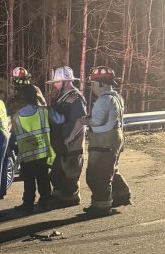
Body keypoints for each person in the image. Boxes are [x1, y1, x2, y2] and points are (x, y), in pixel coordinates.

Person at [81, 66, 132, 216]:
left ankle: (101, 206)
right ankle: (122, 194)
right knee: (111, 168)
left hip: (103, 141)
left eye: (93, 84)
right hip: (116, 137)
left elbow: (96, 121)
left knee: (97, 175)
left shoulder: (103, 101)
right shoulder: (117, 97)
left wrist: (83, 121)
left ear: (101, 84)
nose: (92, 87)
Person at [46, 66, 87, 207]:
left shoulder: (76, 98)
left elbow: (81, 121)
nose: (56, 85)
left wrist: (69, 139)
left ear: (66, 82)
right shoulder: (61, 97)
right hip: (62, 143)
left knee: (70, 174)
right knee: (56, 174)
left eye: (58, 82)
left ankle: (70, 198)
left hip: (72, 144)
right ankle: (58, 196)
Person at [11, 84, 55, 213]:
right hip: (43, 152)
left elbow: (14, 134)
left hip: (27, 154)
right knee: (43, 178)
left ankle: (28, 204)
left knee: (29, 180)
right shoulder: (44, 111)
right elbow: (59, 120)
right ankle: (46, 202)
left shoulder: (17, 116)